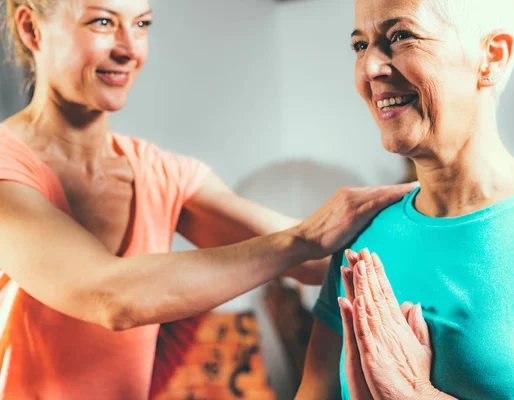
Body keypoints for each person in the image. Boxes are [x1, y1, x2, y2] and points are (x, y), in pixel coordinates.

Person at [0, 0, 418, 398]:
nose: (130, 49)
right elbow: (109, 296)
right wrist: (304, 237)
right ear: (31, 28)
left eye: (142, 23)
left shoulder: (165, 174)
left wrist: (432, 207)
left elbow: (312, 262)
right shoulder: (7, 164)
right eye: (103, 22)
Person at [295, 0, 514, 399]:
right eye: (360, 45)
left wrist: (413, 392)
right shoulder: (361, 233)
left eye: (401, 37)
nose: (370, 68)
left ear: (493, 56)